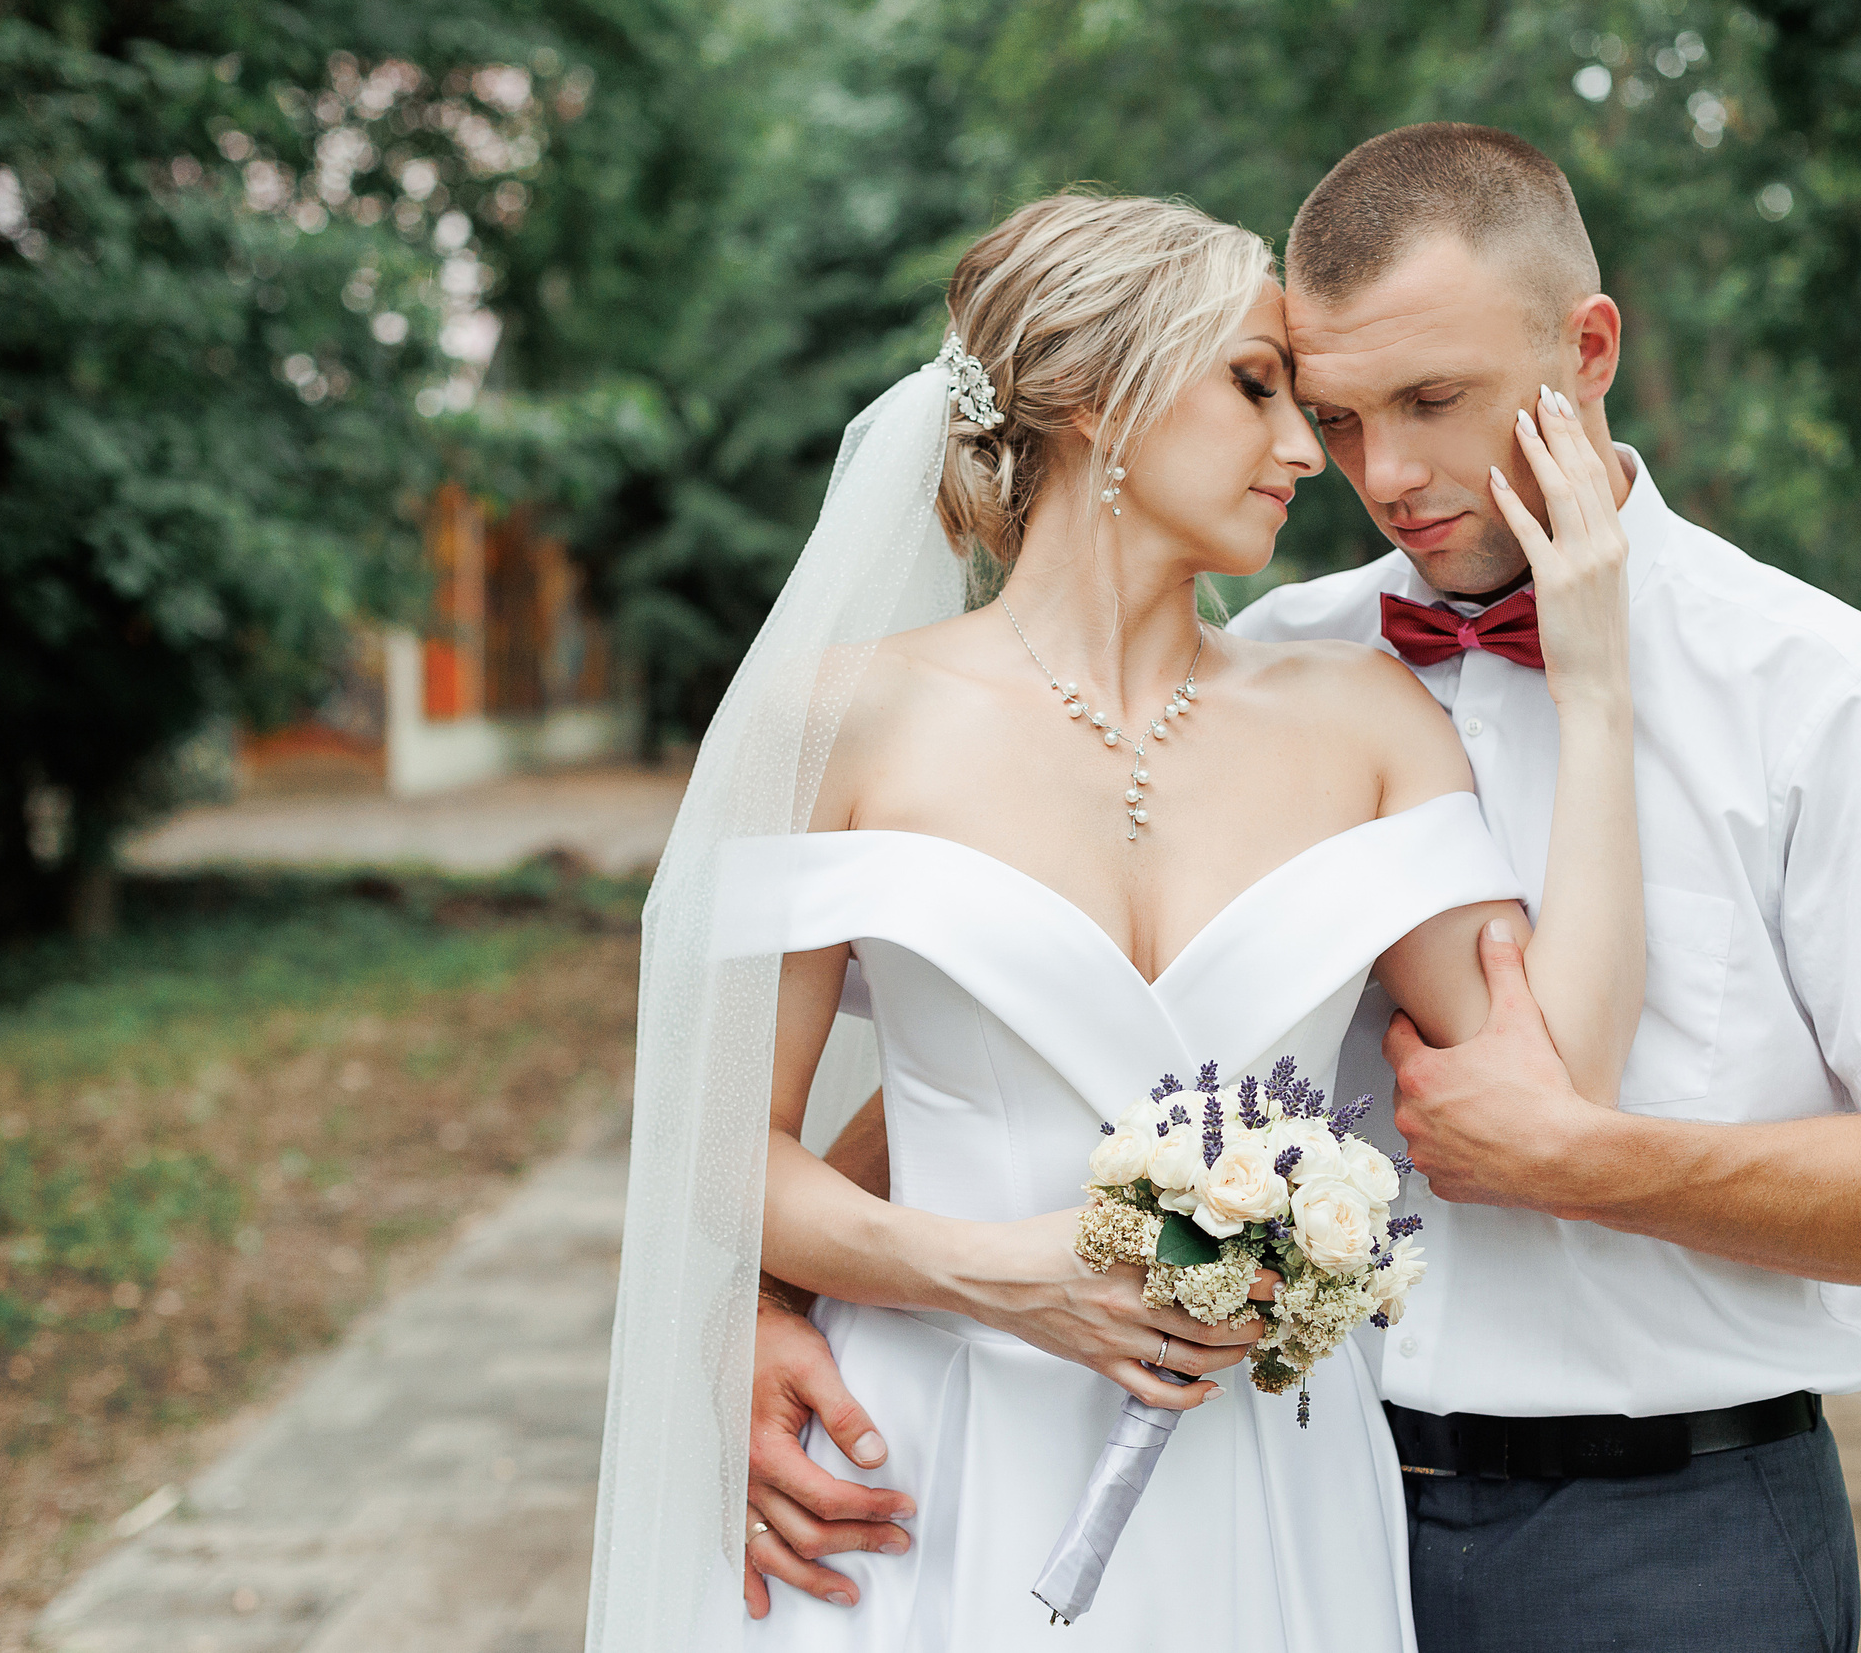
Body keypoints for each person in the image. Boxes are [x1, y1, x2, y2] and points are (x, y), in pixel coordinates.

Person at [740, 128, 1861, 1653]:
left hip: (1662, 1536)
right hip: (1296, 1493)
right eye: (1332, 412)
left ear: (1590, 346)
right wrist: (775, 1309)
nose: (1380, 476)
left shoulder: (1828, 691)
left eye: (1435, 402)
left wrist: (1585, 1155)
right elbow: (1041, 1048)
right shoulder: (1294, 651)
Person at [592, 188, 1647, 1651]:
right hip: (926, 1460)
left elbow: (1562, 1090)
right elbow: (712, 1151)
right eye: (1257, 386)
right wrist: (992, 1275)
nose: (1305, 451)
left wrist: (1598, 689)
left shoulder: (1362, 715)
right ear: (1094, 396)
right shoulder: (840, 719)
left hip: (1263, 1481)